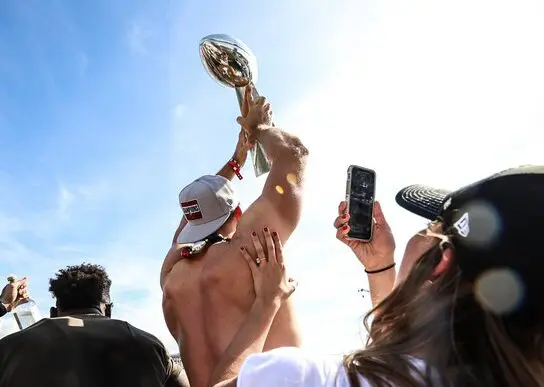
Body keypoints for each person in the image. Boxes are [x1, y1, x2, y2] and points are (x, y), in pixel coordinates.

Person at [206, 165, 544, 387]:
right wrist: (380, 266)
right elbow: (407, 358)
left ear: (441, 263)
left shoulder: (303, 378)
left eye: (430, 227)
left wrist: (268, 301)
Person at [161, 85, 309, 387]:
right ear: (238, 214)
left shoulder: (171, 279)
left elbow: (186, 227)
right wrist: (261, 127)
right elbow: (294, 155)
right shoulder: (252, 249)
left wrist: (235, 161)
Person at [0, 263, 188, 387]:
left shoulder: (9, 349)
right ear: (108, 311)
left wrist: (4, 305)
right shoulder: (149, 345)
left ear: (53, 312)